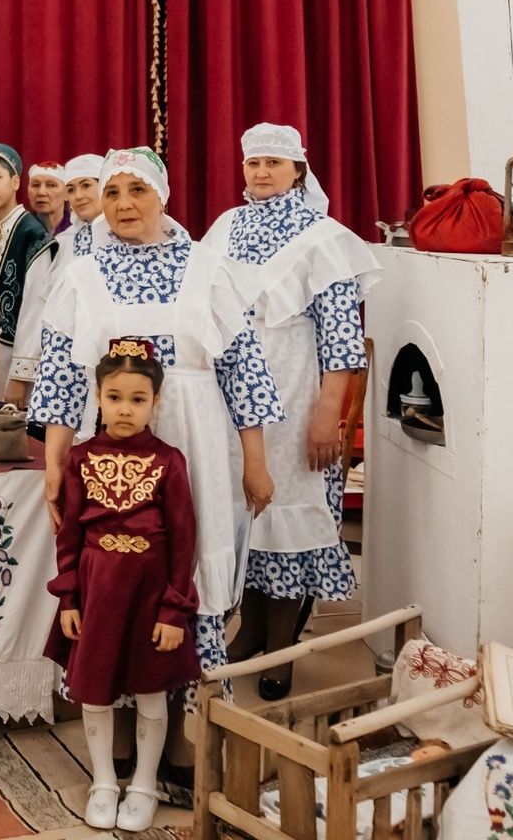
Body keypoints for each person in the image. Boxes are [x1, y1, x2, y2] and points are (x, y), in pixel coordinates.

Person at [29, 147, 283, 677]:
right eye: (113, 192)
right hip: (112, 453)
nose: (123, 204)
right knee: (120, 567)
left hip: (197, 440)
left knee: (190, 552)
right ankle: (123, 716)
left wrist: (254, 463)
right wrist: (55, 465)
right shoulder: (81, 276)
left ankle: (186, 725)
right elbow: (60, 377)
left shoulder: (208, 269)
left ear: (162, 196)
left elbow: (245, 372)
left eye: (137, 190)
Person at [203, 124, 377, 699]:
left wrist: (329, 412)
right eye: (253, 162)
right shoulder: (225, 227)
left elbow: (342, 335)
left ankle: (282, 647)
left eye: (274, 163)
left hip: (298, 388)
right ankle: (250, 629)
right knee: (242, 508)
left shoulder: (323, 237)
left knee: (289, 507)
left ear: (299, 170)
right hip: (232, 390)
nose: (260, 172)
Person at [50, 340, 201, 834]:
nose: (125, 408)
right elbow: (69, 534)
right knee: (93, 690)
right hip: (97, 594)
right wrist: (69, 597)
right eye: (115, 397)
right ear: (97, 396)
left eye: (138, 399)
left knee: (152, 690)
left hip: (150, 596)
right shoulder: (79, 459)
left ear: (157, 402)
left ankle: (143, 784)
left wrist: (174, 611)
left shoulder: (170, 462)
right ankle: (104, 781)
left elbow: (184, 541)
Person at [10, 153, 107, 408]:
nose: (79, 195)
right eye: (72, 189)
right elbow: (37, 307)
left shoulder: (128, 238)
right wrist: (23, 373)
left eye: (86, 185)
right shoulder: (63, 243)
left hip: (115, 362)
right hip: (67, 363)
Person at [0, 145, 52, 393]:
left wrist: (21, 374)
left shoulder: (34, 235)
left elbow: (36, 308)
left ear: (15, 182)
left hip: (18, 356)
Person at [28, 162, 70, 232]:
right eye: (35, 185)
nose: (41, 192)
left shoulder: (79, 230)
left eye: (51, 185)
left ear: (67, 193)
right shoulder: (20, 229)